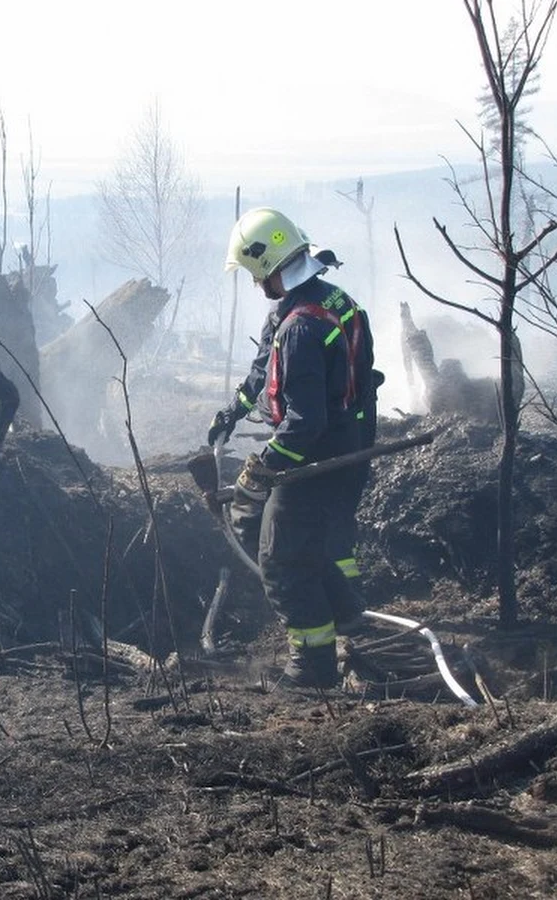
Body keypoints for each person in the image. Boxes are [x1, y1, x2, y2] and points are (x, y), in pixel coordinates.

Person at [208, 208, 380, 689]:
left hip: (312, 460)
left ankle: (311, 669)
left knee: (283, 562)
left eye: (254, 273)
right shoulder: (330, 301)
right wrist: (233, 411)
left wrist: (262, 469)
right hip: (346, 446)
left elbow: (305, 422)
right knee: (297, 542)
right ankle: (345, 612)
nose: (255, 283)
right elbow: (266, 370)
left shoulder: (300, 327)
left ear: (268, 265)